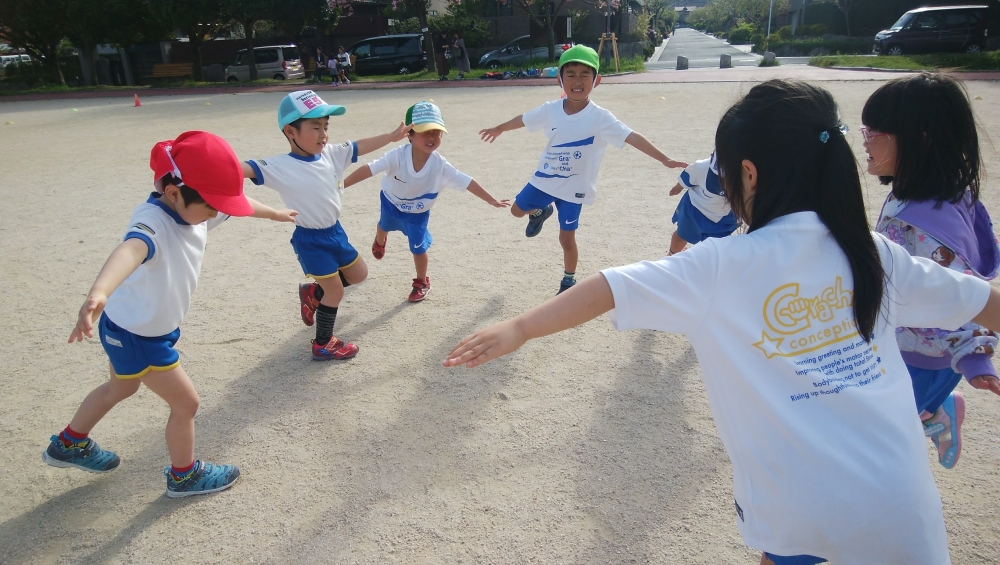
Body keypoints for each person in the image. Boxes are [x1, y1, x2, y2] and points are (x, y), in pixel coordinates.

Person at [446, 79, 1000, 564]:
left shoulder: (719, 265)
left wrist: (518, 328)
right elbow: (984, 303)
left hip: (794, 498)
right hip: (900, 494)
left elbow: (610, 287)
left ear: (749, 174)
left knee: (783, 553)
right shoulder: (874, 250)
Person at [42, 131, 297, 497]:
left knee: (121, 386)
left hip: (132, 326)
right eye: (212, 206)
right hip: (140, 336)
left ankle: (68, 444)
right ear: (175, 193)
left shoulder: (194, 207)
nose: (217, 212)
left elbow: (233, 203)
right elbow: (130, 250)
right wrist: (99, 292)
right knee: (187, 404)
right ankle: (184, 475)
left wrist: (273, 213)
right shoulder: (153, 224)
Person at [863, 72, 1000, 469]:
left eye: (875, 130)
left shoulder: (926, 225)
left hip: (922, 360)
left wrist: (975, 358)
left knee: (878, 436)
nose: (865, 138)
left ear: (919, 139)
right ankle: (938, 412)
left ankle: (936, 413)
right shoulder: (914, 193)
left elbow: (963, 293)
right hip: (906, 347)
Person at [479, 45, 687, 294]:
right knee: (516, 211)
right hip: (544, 180)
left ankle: (568, 280)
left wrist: (665, 159)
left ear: (596, 80)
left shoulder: (601, 118)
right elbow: (524, 119)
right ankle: (540, 212)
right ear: (560, 79)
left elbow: (632, 136)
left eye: (584, 75)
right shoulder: (551, 109)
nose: (577, 81)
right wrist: (499, 128)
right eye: (571, 74)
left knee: (566, 238)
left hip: (573, 189)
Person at [241, 90, 408, 360]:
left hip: (335, 232)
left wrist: (390, 137)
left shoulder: (331, 154)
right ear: (290, 131)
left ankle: (313, 292)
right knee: (336, 291)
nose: (324, 134)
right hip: (310, 239)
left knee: (359, 274)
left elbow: (358, 146)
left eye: (326, 126)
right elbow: (241, 169)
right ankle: (323, 343)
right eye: (315, 127)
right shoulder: (279, 166)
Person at [343, 101, 509, 302]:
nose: (431, 137)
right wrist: (341, 185)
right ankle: (380, 240)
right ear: (409, 134)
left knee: (419, 248)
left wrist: (492, 200)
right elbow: (369, 169)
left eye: (436, 132)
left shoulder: (440, 166)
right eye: (424, 131)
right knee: (383, 224)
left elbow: (467, 181)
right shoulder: (397, 156)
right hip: (391, 202)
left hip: (418, 214)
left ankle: (422, 281)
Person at [667, 151, 740, 255]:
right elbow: (688, 176)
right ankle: (672, 254)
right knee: (681, 236)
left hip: (724, 219)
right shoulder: (704, 167)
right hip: (695, 210)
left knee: (716, 246)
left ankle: (709, 264)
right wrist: (678, 187)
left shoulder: (746, 178)